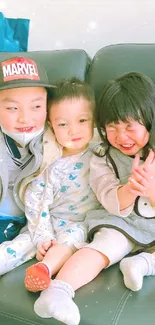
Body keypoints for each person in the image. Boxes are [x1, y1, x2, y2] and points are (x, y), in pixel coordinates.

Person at [33, 72, 155, 325]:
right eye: (112, 127)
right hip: (120, 223)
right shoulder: (102, 156)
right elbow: (109, 198)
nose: (122, 137)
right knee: (101, 249)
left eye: (130, 126)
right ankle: (58, 291)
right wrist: (131, 189)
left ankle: (142, 264)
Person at [24, 78, 100, 293]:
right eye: (63, 124)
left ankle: (43, 269)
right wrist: (43, 236)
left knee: (69, 241)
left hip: (80, 222)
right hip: (46, 221)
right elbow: (36, 200)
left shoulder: (101, 151)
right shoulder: (50, 159)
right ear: (51, 126)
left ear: (94, 121)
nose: (73, 130)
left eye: (82, 120)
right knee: (17, 247)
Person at [0, 55, 58, 275]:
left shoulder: (57, 140)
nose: (25, 119)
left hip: (28, 226)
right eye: (12, 109)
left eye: (35, 106)